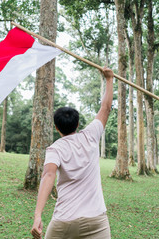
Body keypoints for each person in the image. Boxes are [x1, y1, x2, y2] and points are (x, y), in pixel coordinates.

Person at [31, 67, 114, 239]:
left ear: (56, 127)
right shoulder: (91, 135)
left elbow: (48, 175)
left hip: (64, 222)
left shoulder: (55, 149)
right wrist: (109, 79)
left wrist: (38, 215)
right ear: (77, 125)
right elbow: (105, 108)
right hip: (96, 221)